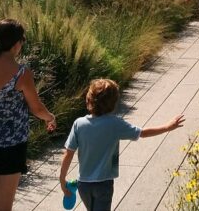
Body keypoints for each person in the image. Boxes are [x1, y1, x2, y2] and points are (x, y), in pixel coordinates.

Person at [59, 79, 185, 211]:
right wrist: (167, 127)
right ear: (113, 104)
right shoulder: (115, 124)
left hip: (83, 184)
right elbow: (142, 133)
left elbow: (69, 153)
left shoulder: (79, 124)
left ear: (88, 100)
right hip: (104, 184)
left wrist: (62, 179)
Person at [0, 19, 57, 211]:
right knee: (3, 205)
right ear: (17, 43)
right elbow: (36, 108)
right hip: (11, 147)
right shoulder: (21, 73)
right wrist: (50, 117)